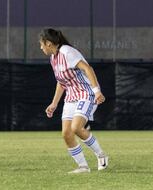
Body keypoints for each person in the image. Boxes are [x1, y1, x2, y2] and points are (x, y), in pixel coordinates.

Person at [39, 28, 108, 173]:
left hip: (86, 93)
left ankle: (101, 155)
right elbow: (61, 82)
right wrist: (54, 103)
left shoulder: (67, 52)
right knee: (66, 133)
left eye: (42, 44)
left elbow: (88, 69)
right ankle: (83, 167)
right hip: (71, 96)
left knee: (76, 128)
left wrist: (96, 91)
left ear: (49, 43)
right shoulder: (53, 58)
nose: (41, 47)